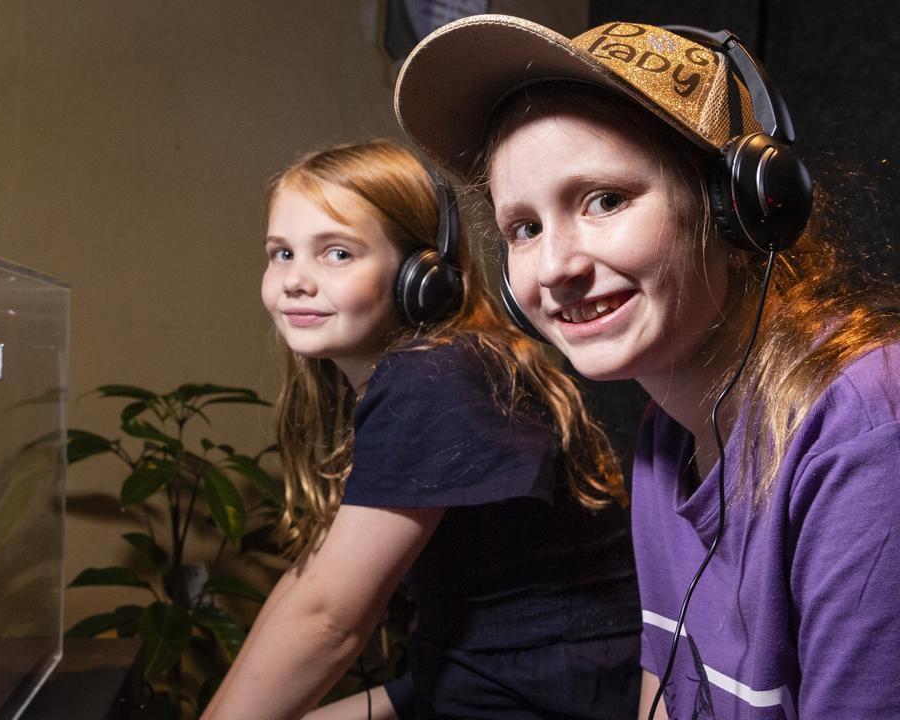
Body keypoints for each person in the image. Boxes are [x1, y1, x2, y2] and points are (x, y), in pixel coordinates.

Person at [394, 15, 900, 719]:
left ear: (737, 210)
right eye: (525, 228)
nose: (555, 267)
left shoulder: (867, 438)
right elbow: (662, 694)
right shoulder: (668, 436)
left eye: (605, 200)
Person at [201, 139, 641, 720]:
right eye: (281, 254)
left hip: (548, 693)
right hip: (468, 673)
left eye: (337, 254)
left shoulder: (434, 378)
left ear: (420, 274)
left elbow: (329, 619)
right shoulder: (423, 371)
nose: (296, 280)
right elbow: (310, 585)